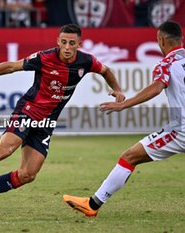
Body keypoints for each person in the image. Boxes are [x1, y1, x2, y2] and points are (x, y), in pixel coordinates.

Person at [0, 24, 125, 205]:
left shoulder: (86, 61)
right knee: (6, 149)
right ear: (58, 41)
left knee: (28, 174)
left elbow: (105, 71)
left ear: (79, 44)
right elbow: (11, 67)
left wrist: (117, 89)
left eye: (71, 43)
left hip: (47, 124)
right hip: (28, 111)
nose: (66, 47)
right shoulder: (44, 57)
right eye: (63, 42)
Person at [63, 20, 185, 217]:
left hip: (180, 130)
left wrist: (123, 104)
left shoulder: (166, 64)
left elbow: (157, 87)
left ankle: (92, 204)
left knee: (129, 157)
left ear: (161, 40)